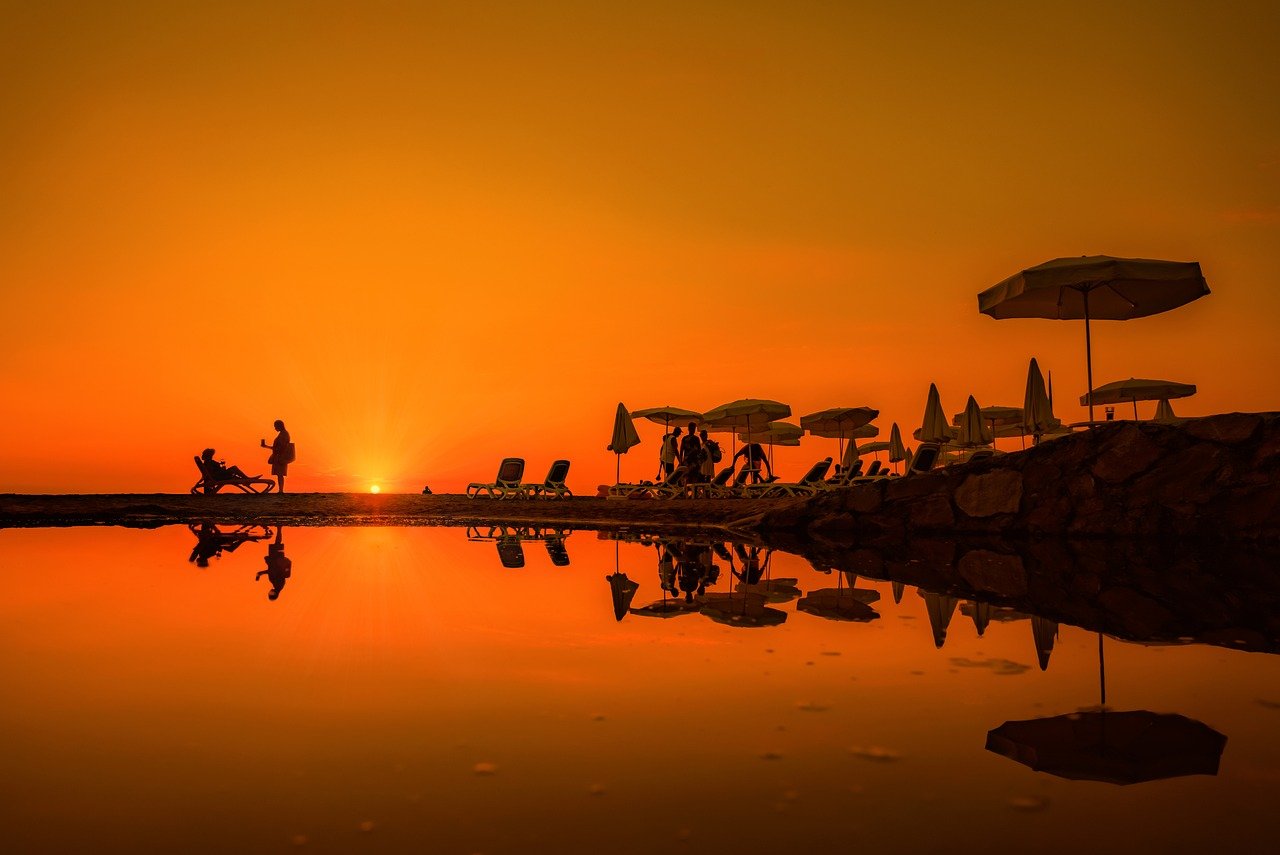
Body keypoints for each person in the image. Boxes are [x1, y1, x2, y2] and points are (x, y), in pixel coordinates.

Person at [256, 528, 293, 601]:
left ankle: (279, 529)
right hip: (276, 559)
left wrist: (261, 573)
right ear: (274, 594)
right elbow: (274, 571)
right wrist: (261, 573)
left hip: (275, 560)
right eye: (270, 594)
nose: (269, 593)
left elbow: (272, 571)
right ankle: (279, 528)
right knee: (278, 542)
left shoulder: (277, 586)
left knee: (277, 542)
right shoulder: (278, 585)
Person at [260, 419, 293, 493]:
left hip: (280, 457)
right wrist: (266, 446)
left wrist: (272, 449)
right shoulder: (282, 434)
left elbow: (281, 447)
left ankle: (281, 490)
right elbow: (277, 447)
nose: (275, 428)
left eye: (275, 426)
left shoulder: (284, 434)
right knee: (279, 474)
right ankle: (280, 490)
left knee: (280, 474)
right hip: (279, 456)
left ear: (279, 426)